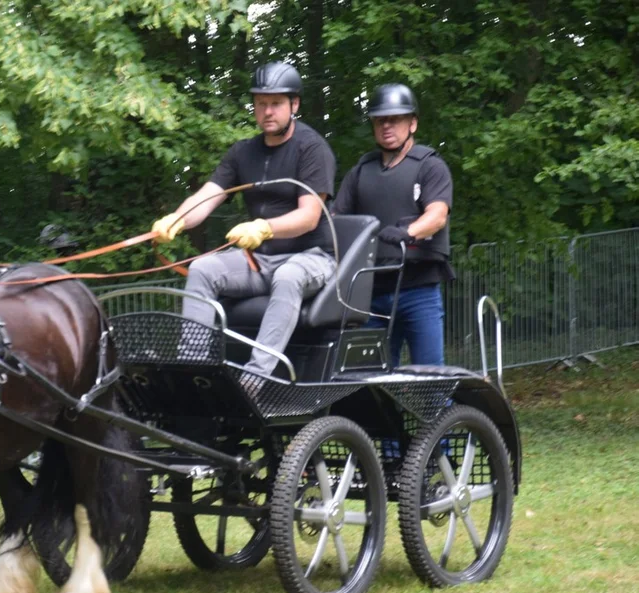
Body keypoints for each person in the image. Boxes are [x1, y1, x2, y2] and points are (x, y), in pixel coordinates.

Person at [150, 62, 337, 376]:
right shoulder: (243, 152)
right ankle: (192, 370)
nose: (267, 111)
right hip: (260, 261)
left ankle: (257, 376)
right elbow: (206, 197)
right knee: (202, 269)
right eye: (261, 103)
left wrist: (264, 228)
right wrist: (177, 219)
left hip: (312, 258)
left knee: (289, 276)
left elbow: (308, 217)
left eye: (276, 103)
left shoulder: (312, 148)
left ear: (295, 104)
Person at [332, 83, 453, 367]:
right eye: (380, 120)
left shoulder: (430, 166)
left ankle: (444, 411)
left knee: (430, 377)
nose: (387, 126)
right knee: (365, 381)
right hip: (370, 291)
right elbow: (335, 220)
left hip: (418, 289)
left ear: (412, 123)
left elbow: (437, 215)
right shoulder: (360, 171)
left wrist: (405, 233)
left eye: (395, 119)